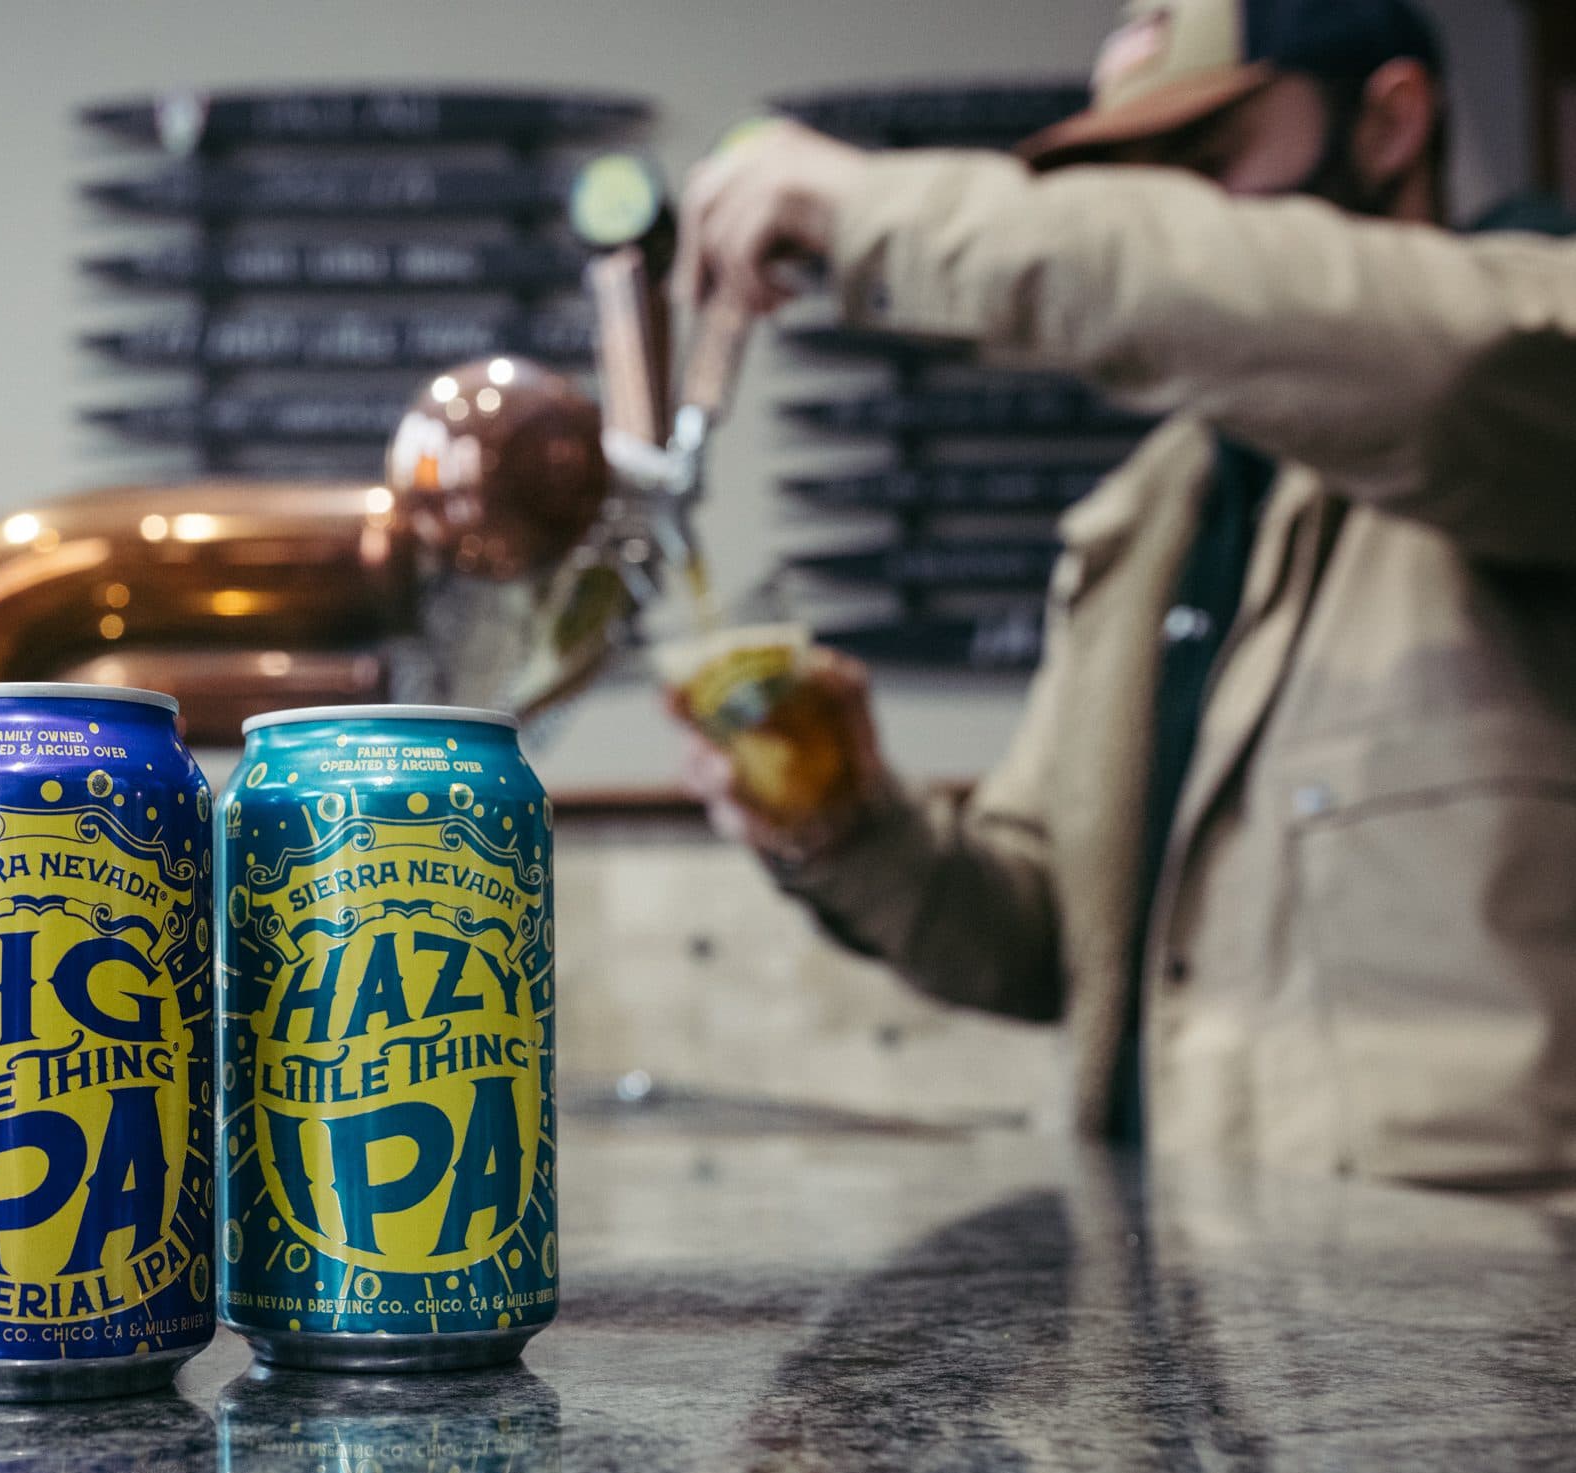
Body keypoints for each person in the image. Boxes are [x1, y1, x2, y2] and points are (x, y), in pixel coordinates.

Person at [672, 0, 1576, 1185]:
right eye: (1126, 188)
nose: (1163, 223)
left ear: (1393, 119)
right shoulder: (1150, 520)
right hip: (1204, 1334)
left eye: (1200, 168)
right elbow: (1046, 937)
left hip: (1502, 1343)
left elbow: (1439, 356)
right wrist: (852, 829)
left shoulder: (1525, 375)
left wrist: (880, 213)